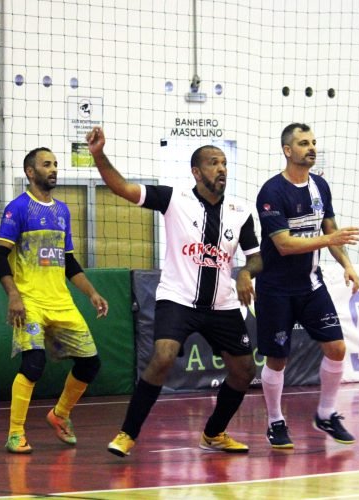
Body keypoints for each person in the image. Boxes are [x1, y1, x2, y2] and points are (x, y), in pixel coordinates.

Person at [85, 126, 263, 457]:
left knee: (245, 371)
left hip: (222, 304)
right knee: (163, 356)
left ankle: (213, 434)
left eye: (224, 163)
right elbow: (123, 188)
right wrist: (98, 155)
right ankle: (127, 433)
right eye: (213, 162)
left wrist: (245, 275)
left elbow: (256, 258)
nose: (221, 168)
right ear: (196, 171)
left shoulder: (241, 212)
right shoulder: (173, 199)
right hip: (178, 297)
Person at [0, 147, 109, 454]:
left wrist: (92, 292)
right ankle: (15, 433)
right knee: (34, 364)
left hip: (61, 302)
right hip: (30, 302)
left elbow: (68, 262)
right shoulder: (18, 208)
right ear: (31, 172)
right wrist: (14, 296)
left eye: (55, 164)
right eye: (47, 164)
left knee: (90, 364)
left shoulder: (62, 211)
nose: (54, 169)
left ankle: (60, 415)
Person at [255, 123, 359, 449]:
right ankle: (275, 420)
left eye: (313, 142)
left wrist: (347, 264)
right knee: (277, 359)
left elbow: (330, 230)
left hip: (311, 285)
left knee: (337, 348)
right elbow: (284, 245)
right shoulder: (272, 192)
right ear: (288, 150)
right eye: (303, 143)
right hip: (275, 289)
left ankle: (326, 413)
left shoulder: (320, 187)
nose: (311, 147)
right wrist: (330, 237)